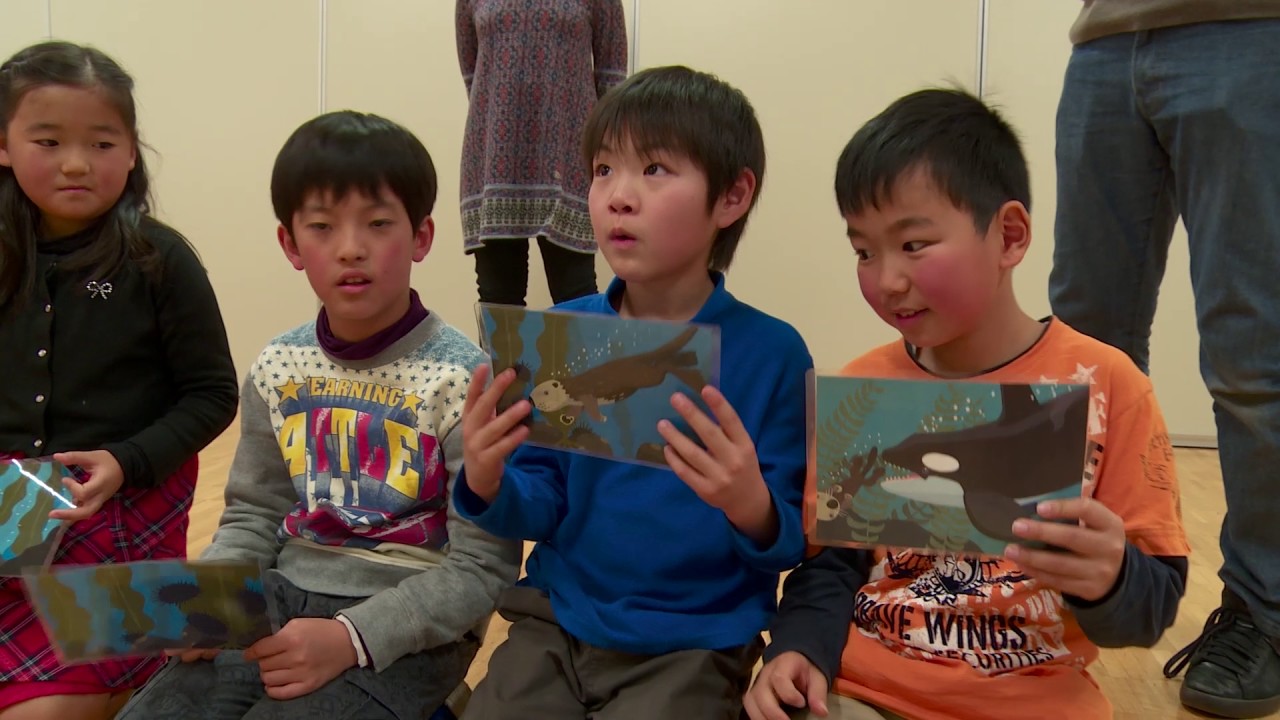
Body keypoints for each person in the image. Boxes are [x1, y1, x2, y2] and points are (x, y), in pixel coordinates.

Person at [744, 88, 1190, 720]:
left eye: (914, 244)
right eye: (863, 251)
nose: (886, 279)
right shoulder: (867, 387)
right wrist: (795, 651)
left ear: (1008, 235)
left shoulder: (1108, 383)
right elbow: (832, 568)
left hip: (1033, 703)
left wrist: (1112, 577)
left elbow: (1151, 610)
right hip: (862, 689)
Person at [115, 111, 522, 720]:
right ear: (290, 244)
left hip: (407, 625)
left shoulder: (465, 380)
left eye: (378, 224)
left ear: (421, 237)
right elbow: (254, 512)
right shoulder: (279, 366)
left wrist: (350, 637)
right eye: (323, 227)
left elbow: (480, 565)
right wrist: (209, 601)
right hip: (279, 598)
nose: (351, 248)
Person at [454, 65, 813, 719]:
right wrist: (486, 478)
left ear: (731, 197)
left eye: (654, 170)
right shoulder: (566, 335)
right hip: (557, 623)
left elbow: (791, 539)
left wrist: (749, 502)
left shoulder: (773, 353)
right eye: (602, 170)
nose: (618, 196)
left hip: (695, 642)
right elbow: (540, 505)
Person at [1049, 3, 1280, 717]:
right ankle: (1079, 575)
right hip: (1106, 38)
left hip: (1252, 24)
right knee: (1079, 348)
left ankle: (1265, 610)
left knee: (1252, 355)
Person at [0, 40, 239, 720]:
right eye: (48, 140)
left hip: (121, 515)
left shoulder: (159, 259)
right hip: (11, 519)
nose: (77, 163)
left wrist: (124, 462)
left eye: (103, 144)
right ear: (4, 146)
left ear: (131, 153)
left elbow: (214, 394)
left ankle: (135, 669)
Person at [456, 0, 627, 306]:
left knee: (576, 293)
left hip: (570, 157)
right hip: (494, 155)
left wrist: (607, 162)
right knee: (498, 298)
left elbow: (612, 80)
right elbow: (473, 74)